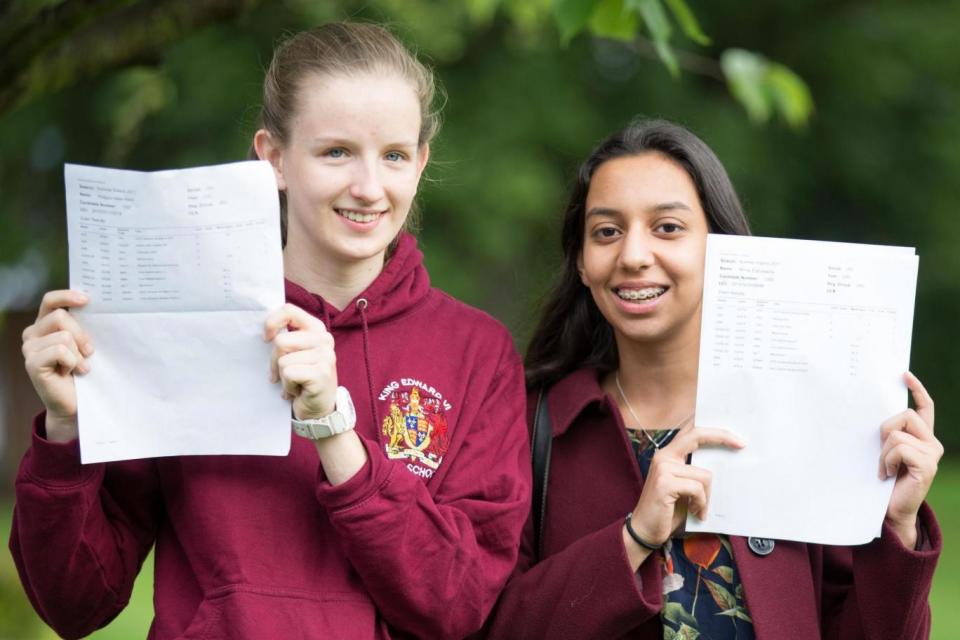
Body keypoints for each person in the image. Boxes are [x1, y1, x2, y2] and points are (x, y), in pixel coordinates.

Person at [12, 22, 530, 639]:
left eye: (393, 155)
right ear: (274, 158)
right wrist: (67, 432)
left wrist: (335, 433)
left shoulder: (477, 351)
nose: (368, 187)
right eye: (335, 151)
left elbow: (457, 604)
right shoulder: (184, 322)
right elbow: (75, 604)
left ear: (419, 163)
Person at [483, 119, 942, 639]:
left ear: (722, 250)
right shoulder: (527, 423)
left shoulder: (805, 416)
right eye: (606, 232)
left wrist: (898, 528)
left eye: (668, 228)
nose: (633, 256)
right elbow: (493, 627)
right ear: (583, 263)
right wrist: (633, 539)